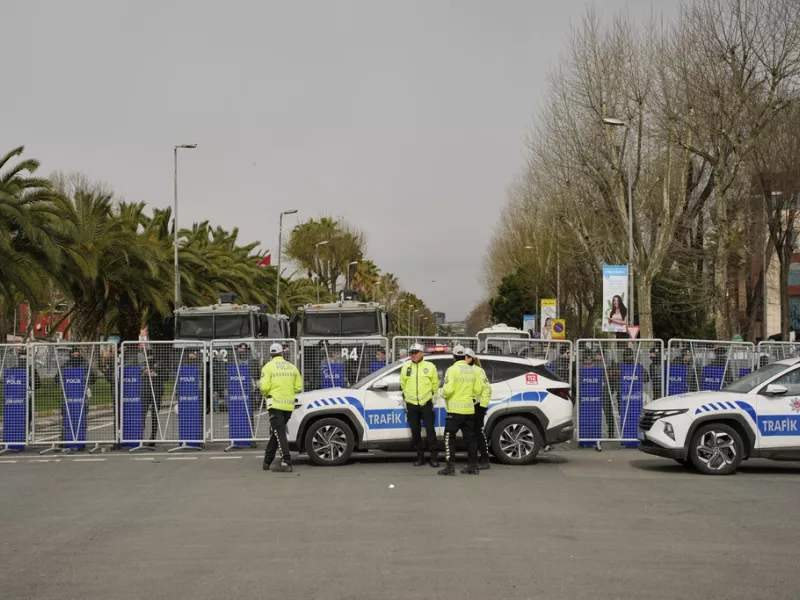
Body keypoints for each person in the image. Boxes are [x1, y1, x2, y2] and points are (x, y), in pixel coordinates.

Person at [439, 345, 482, 476]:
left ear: (453, 357)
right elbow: (477, 390)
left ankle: (450, 467)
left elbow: (448, 390)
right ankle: (473, 466)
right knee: (470, 439)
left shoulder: (451, 370)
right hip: (469, 410)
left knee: (449, 439)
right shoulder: (472, 370)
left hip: (454, 412)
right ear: (464, 356)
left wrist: (443, 394)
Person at [261, 343, 303, 473]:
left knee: (279, 432)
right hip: (288, 405)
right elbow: (298, 387)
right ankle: (267, 460)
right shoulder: (291, 367)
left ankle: (286, 462)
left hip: (275, 404)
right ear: (282, 353)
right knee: (277, 432)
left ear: (270, 354)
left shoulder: (268, 367)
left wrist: (267, 394)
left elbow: (264, 387)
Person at [399, 343, 440, 467]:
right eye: (411, 353)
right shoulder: (406, 367)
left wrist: (433, 399)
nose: (413, 355)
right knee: (415, 432)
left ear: (422, 353)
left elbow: (435, 384)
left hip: (426, 403)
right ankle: (420, 457)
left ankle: (434, 458)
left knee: (430, 431)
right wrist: (406, 398)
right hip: (412, 405)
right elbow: (403, 384)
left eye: (415, 352)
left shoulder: (430, 366)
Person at [464, 348, 491, 469]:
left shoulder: (478, 371)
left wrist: (482, 406)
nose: (464, 359)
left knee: (477, 433)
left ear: (471, 358)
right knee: (470, 434)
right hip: (467, 406)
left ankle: (485, 459)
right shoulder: (463, 369)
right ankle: (474, 459)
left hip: (477, 406)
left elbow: (486, 389)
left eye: (466, 357)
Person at [141, 348, 165, 445]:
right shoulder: (143, 365)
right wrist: (144, 371)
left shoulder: (159, 364)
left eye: (151, 355)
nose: (149, 358)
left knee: (155, 416)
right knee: (142, 415)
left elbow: (165, 375)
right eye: (148, 356)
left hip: (156, 392)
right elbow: (139, 373)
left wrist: (156, 373)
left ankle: (153, 438)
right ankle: (140, 436)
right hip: (146, 392)